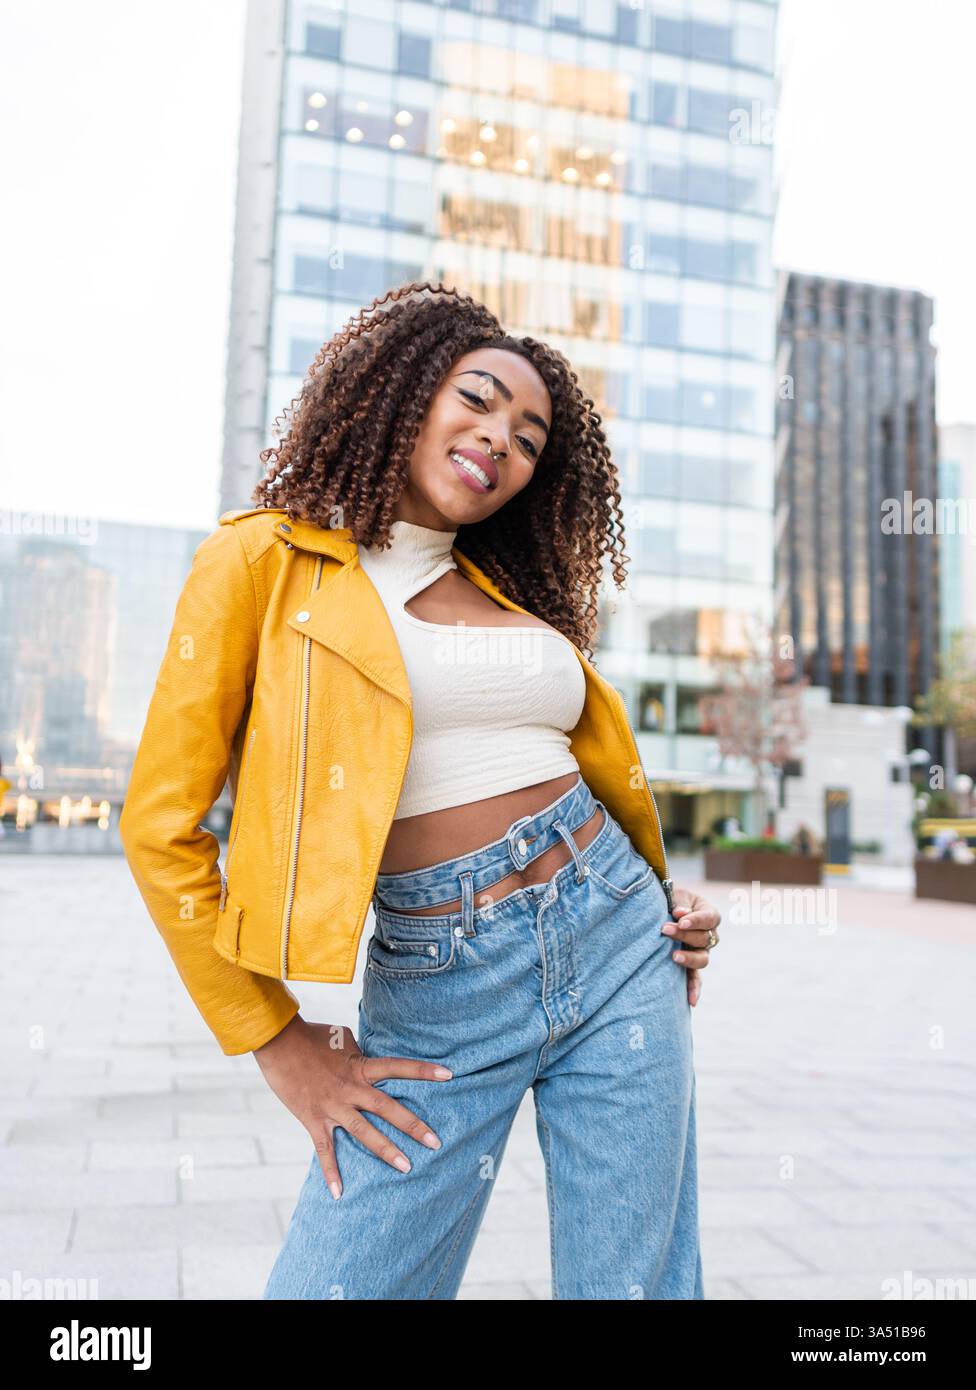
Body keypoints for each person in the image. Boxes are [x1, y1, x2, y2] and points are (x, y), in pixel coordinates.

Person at [120, 282, 720, 1300]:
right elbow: (160, 825)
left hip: (620, 941)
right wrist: (278, 1043)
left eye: (530, 437)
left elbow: (581, 768)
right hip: (443, 977)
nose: (502, 439)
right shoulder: (260, 561)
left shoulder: (509, 594)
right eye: (478, 399)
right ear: (398, 390)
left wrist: (673, 900)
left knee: (638, 1287)